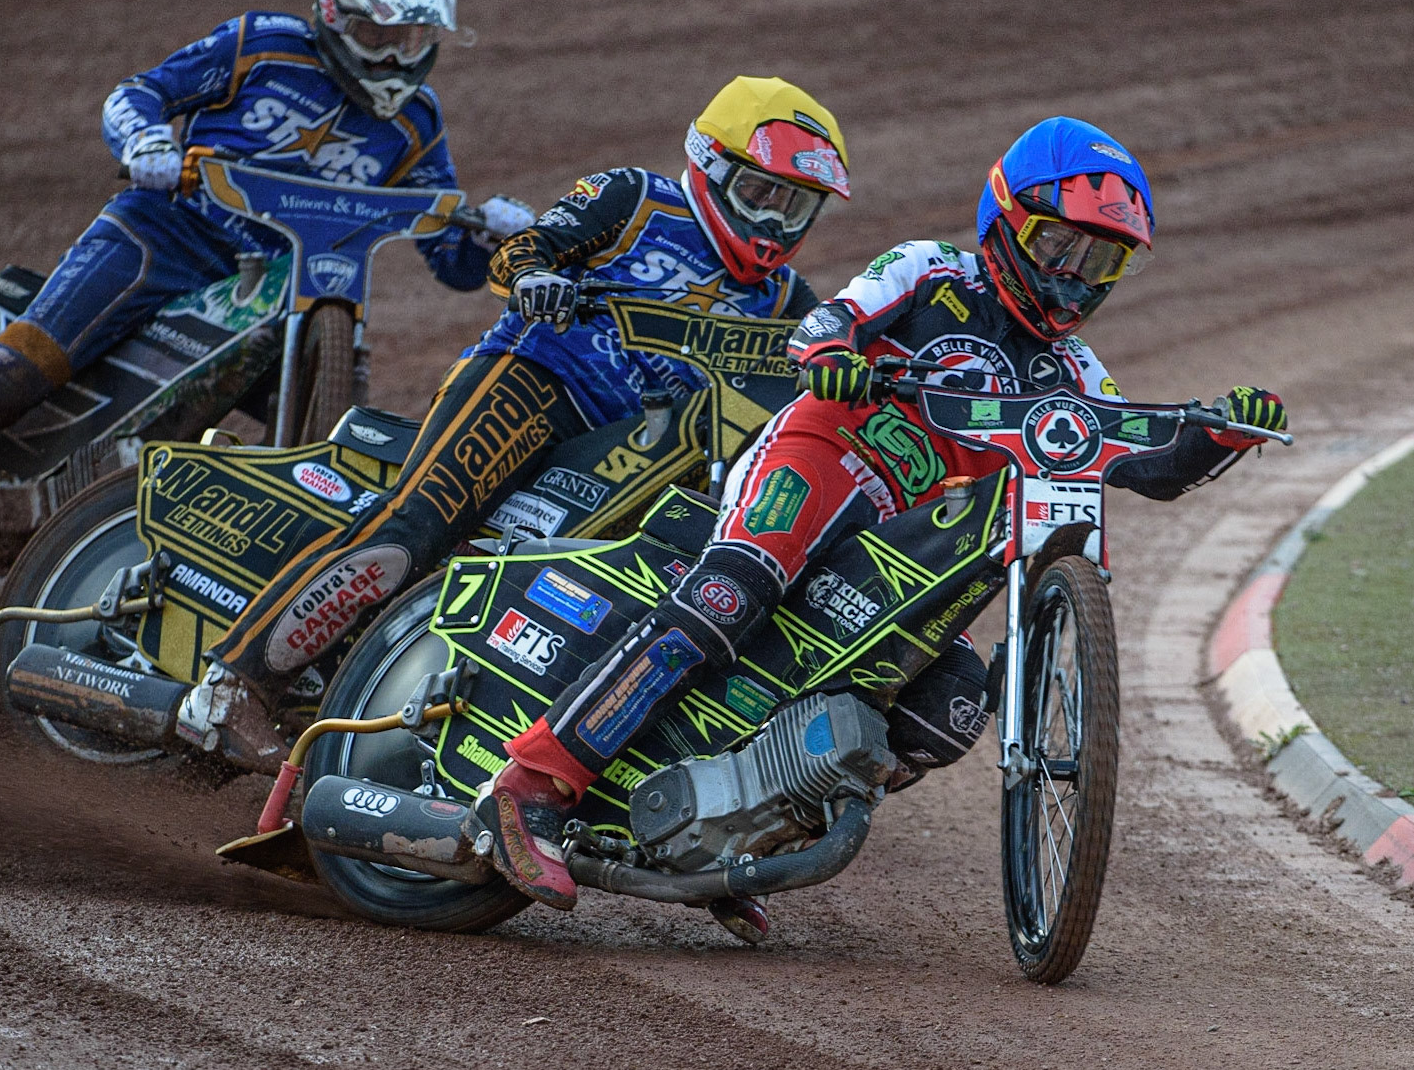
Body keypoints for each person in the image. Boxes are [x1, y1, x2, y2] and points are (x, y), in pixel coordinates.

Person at [476, 116, 1289, 912]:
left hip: (900, 544)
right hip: (820, 459)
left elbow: (1140, 461)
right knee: (730, 594)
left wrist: (1218, 430)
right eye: (1058, 246)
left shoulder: (1073, 369)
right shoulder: (930, 269)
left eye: (1100, 258)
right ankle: (532, 786)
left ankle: (731, 829)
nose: (1074, 275)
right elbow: (830, 320)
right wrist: (831, 359)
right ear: (1005, 221)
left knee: (951, 707)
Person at [174, 76, 854, 773]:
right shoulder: (635, 199)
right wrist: (535, 277)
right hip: (532, 380)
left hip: (625, 446)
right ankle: (231, 687)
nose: (773, 222)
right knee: (414, 529)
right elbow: (522, 248)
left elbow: (822, 364)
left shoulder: (783, 302)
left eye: (795, 205)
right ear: (711, 166)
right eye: (760, 194)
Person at [0, 0, 533, 581]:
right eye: (382, 35)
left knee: (338, 437)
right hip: (165, 235)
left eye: (413, 39)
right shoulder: (262, 44)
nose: (398, 56)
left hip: (292, 292)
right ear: (337, 16)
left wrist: (492, 235)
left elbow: (452, 261)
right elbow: (139, 94)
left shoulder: (415, 121)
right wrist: (148, 143)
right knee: (25, 362)